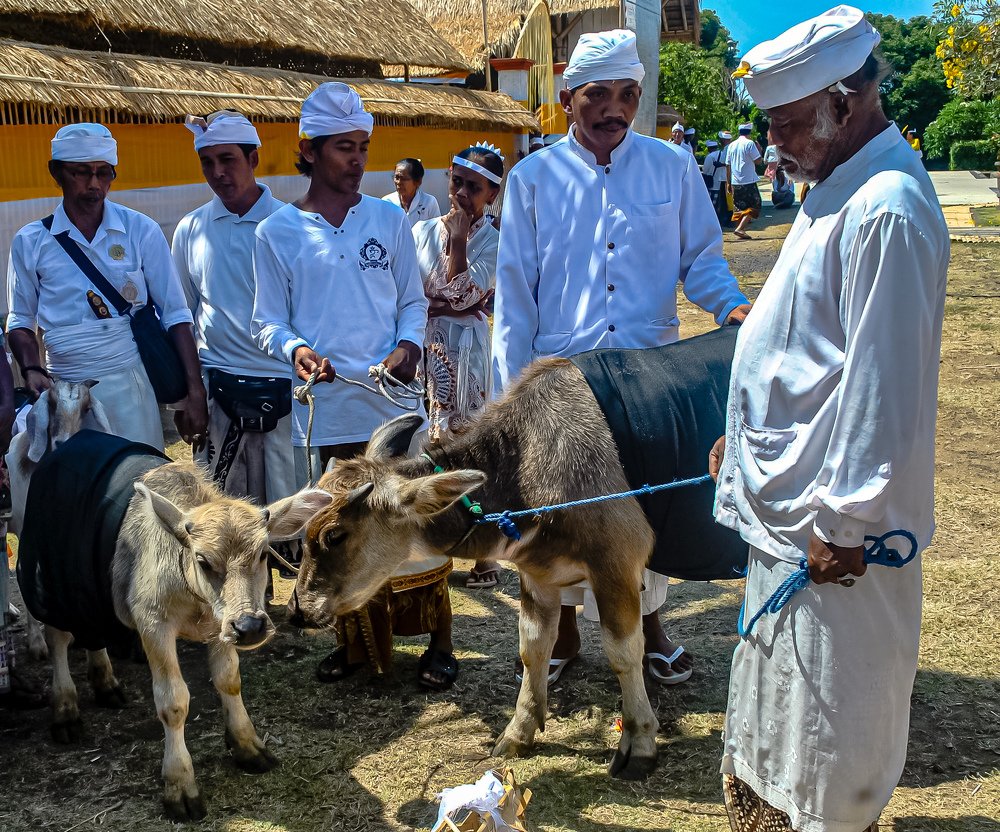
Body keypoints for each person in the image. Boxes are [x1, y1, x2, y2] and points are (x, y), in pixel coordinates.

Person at [713, 7, 948, 831]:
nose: (773, 143)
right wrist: (739, 446)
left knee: (827, 747)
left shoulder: (884, 208)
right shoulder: (833, 192)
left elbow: (883, 388)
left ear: (845, 105)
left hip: (833, 545)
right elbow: (806, 356)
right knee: (779, 734)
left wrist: (844, 520)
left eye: (786, 124)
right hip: (790, 521)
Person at [494, 29, 751, 687]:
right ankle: (569, 633)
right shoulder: (531, 179)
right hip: (564, 382)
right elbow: (515, 299)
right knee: (562, 512)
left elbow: (702, 260)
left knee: (647, 507)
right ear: (569, 96)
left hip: (650, 381)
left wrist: (730, 307)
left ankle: (651, 627)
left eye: (628, 95)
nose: (613, 109)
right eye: (598, 95)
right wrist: (511, 402)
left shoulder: (672, 168)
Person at [251, 83, 457, 691]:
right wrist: (298, 351)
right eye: (345, 148)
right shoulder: (278, 233)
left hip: (392, 406)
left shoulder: (387, 218)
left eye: (364, 147)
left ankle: (439, 642)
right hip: (328, 410)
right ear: (309, 150)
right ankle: (356, 644)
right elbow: (267, 322)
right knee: (336, 534)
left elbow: (412, 303)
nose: (358, 159)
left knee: (417, 528)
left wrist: (407, 348)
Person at [6, 123, 206, 450]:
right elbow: (20, 320)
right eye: (81, 173)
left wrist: (194, 394)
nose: (94, 184)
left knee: (137, 478)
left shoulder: (141, 230)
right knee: (75, 485)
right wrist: (31, 368)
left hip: (130, 383)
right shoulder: (31, 241)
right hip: (64, 393)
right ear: (56, 173)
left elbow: (176, 314)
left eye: (104, 173)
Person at [172, 111, 296, 510]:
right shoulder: (191, 229)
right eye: (207, 162)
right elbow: (181, 318)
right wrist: (189, 396)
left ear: (254, 159)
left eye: (228, 160)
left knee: (289, 524)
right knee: (222, 526)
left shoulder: (292, 226)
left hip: (287, 392)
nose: (218, 172)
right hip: (218, 394)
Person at [413, 143, 503, 590]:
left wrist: (461, 241)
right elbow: (414, 290)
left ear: (492, 195)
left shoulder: (493, 239)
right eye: (457, 182)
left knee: (468, 446)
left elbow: (464, 295)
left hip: (467, 347)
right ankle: (440, 541)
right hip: (427, 344)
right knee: (429, 446)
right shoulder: (422, 230)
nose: (462, 193)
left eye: (475, 187)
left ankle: (485, 551)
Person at [727, 122, 763, 240]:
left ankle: (740, 231)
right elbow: (758, 161)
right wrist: (760, 150)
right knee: (755, 204)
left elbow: (728, 165)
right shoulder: (750, 144)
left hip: (735, 181)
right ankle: (740, 228)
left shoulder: (731, 145)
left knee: (739, 206)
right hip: (748, 180)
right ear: (749, 132)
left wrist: (728, 182)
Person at [383, 158, 441, 227]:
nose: (398, 182)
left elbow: (436, 231)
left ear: (418, 181)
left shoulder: (429, 202)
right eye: (396, 177)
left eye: (404, 179)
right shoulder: (387, 202)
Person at [702, 139, 731, 225]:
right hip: (723, 181)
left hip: (713, 183)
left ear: (708, 148)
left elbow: (705, 170)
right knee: (723, 203)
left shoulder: (710, 156)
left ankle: (712, 221)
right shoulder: (724, 154)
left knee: (712, 204)